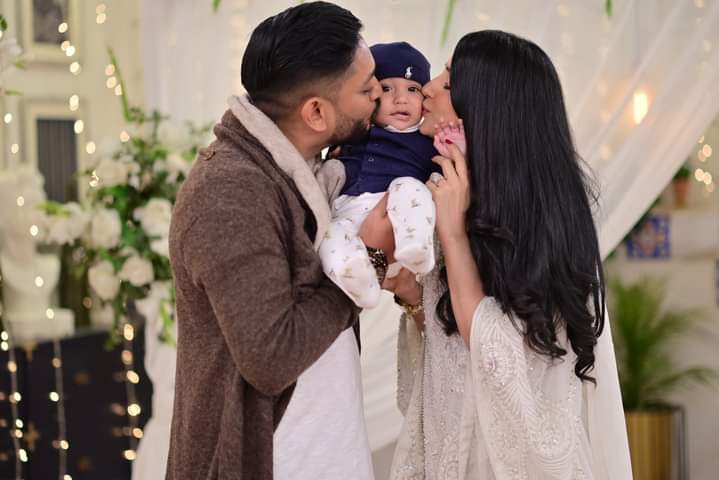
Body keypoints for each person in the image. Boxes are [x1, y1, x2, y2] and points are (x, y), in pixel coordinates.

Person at [376, 30, 633, 479]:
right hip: (451, 451)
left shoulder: (543, 223)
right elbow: (454, 351)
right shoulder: (449, 192)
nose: (429, 89)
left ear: (487, 109)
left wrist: (454, 237)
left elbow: (502, 358)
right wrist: (413, 297)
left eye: (450, 82)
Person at [166, 3, 381, 479]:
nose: (380, 96)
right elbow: (271, 356)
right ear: (317, 112)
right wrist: (373, 259)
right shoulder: (229, 192)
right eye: (366, 90)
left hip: (313, 444)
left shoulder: (295, 169)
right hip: (269, 457)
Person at [320, 41, 440, 309]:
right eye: (387, 89)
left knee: (410, 187)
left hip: (399, 216)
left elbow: (441, 176)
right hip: (349, 210)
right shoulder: (354, 131)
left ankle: (416, 246)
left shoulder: (426, 140)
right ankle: (356, 280)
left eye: (413, 89)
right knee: (333, 232)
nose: (401, 98)